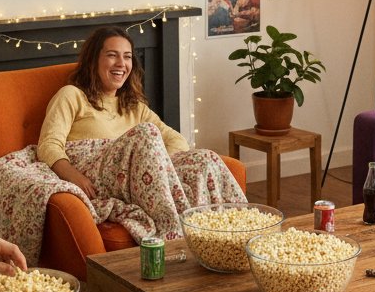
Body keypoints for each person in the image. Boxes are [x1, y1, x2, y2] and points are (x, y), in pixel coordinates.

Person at [37, 26, 245, 239]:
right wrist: (74, 176)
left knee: (205, 158)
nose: (121, 64)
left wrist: (161, 166)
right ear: (93, 60)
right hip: (95, 177)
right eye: (112, 55)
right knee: (147, 133)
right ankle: (174, 234)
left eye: (127, 57)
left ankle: (234, 232)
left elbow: (176, 139)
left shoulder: (133, 106)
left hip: (137, 179)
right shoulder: (71, 95)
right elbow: (48, 144)